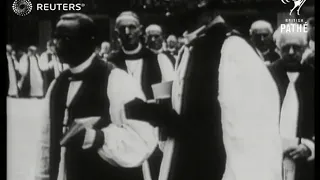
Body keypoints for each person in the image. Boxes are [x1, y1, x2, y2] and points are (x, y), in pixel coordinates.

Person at [125, 4, 284, 180]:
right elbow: (187, 108)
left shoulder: (233, 49)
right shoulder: (193, 47)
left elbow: (250, 136)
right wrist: (154, 112)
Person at [35, 13, 158, 180]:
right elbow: (46, 141)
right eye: (56, 38)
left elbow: (144, 138)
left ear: (87, 42)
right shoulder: (57, 85)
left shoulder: (116, 79)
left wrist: (98, 137)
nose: (57, 45)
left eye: (66, 39)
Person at [269, 26, 314, 180]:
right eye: (286, 47)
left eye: (296, 47)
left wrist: (309, 147)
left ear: (305, 48)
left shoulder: (312, 77)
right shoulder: (265, 76)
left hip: (305, 163)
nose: (291, 52)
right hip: (269, 158)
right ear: (278, 49)